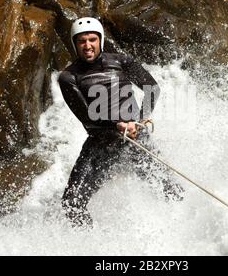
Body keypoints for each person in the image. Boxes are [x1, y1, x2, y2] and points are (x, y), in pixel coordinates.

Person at [58, 17, 183, 227]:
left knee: (169, 190)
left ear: (100, 40)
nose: (87, 45)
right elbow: (88, 119)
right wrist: (116, 125)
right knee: (71, 203)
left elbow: (152, 88)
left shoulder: (122, 61)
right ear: (74, 43)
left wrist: (140, 120)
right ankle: (93, 244)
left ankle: (181, 228)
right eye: (81, 41)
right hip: (101, 144)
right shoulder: (69, 77)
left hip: (136, 138)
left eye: (92, 39)